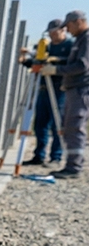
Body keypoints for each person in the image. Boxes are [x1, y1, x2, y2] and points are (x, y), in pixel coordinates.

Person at [40, 10, 89, 179]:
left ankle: (74, 167)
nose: (67, 30)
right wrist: (59, 62)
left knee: (75, 126)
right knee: (69, 127)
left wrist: (57, 70)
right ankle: (71, 164)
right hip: (74, 88)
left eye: (68, 26)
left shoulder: (86, 39)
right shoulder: (80, 40)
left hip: (81, 89)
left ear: (78, 22)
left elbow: (82, 65)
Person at [20, 20, 73, 166]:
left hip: (60, 88)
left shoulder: (70, 45)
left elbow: (72, 62)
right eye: (50, 33)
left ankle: (56, 156)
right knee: (40, 124)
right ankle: (39, 155)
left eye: (55, 32)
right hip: (43, 87)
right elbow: (36, 62)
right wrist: (25, 60)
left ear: (63, 30)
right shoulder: (46, 45)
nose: (52, 35)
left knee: (57, 124)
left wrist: (55, 62)